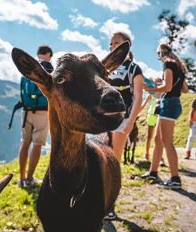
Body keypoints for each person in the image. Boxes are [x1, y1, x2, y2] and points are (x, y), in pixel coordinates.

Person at [104, 32, 143, 220]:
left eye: (117, 43)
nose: (112, 47)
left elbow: (138, 97)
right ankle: (97, 199)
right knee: (100, 161)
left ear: (127, 46)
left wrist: (131, 121)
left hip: (121, 121)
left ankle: (110, 205)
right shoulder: (105, 68)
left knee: (113, 162)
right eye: (111, 43)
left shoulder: (134, 68)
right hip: (102, 121)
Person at [141, 43, 188, 189]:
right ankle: (153, 173)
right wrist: (166, 83)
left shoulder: (168, 63)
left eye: (158, 55)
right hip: (173, 103)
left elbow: (167, 88)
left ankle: (175, 179)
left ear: (161, 53)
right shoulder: (179, 66)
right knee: (158, 140)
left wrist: (150, 88)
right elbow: (185, 89)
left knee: (167, 142)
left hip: (168, 104)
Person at [18, 45, 53, 188]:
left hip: (26, 111)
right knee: (37, 144)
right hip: (42, 112)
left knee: (25, 142)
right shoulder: (49, 68)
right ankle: (30, 178)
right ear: (49, 54)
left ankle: (21, 179)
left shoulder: (29, 68)